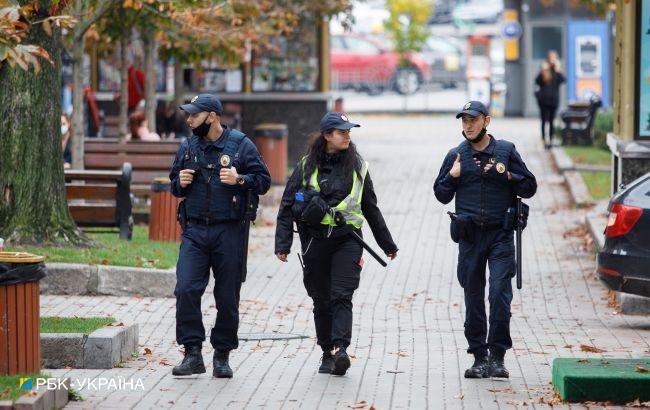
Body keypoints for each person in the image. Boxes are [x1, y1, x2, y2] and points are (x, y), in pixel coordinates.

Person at [275, 112, 398, 376]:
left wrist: (388, 244)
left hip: (347, 240)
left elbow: (370, 208)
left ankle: (342, 350)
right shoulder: (306, 166)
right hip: (314, 242)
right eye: (342, 132)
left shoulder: (358, 167)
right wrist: (282, 244)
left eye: (348, 132)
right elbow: (287, 206)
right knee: (321, 298)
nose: (347, 136)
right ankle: (327, 352)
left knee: (342, 294)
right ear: (328, 135)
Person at [169, 94, 271, 378]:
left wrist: (239, 180)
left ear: (211, 116)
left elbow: (264, 181)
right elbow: (174, 184)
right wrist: (181, 182)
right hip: (195, 230)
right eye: (188, 115)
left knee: (227, 296)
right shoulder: (188, 146)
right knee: (186, 288)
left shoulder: (240, 145)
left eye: (194, 115)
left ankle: (222, 356)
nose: (189, 120)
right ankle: (192, 353)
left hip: (229, 231)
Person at [433, 101, 537, 379]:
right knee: (473, 297)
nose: (467, 126)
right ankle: (479, 356)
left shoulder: (506, 151)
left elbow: (529, 187)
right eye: (464, 121)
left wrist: (507, 174)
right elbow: (441, 194)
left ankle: (498, 357)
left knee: (499, 295)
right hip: (470, 238)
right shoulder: (456, 155)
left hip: (501, 235)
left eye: (473, 120)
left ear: (486, 121)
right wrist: (452, 177)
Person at [535, 50, 565, 149]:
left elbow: (563, 80)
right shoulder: (544, 69)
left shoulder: (556, 71)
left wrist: (558, 69)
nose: (552, 60)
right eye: (551, 58)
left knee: (552, 121)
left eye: (554, 58)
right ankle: (544, 140)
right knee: (544, 120)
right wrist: (544, 70)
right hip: (543, 100)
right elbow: (537, 81)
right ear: (548, 59)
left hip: (554, 100)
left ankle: (551, 140)